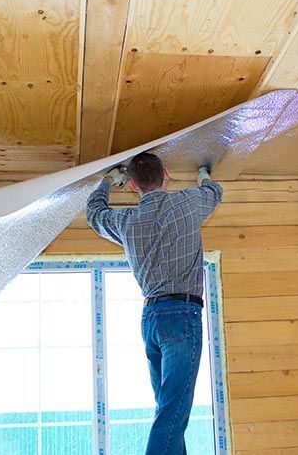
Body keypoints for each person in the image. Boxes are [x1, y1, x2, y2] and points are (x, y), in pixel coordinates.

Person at [86, 152, 223, 454]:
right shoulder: (187, 204)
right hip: (182, 318)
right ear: (167, 173)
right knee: (173, 411)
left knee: (168, 408)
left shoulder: (127, 221)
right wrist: (202, 174)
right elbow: (215, 192)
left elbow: (94, 213)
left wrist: (109, 180)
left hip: (151, 319)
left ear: (133, 185)